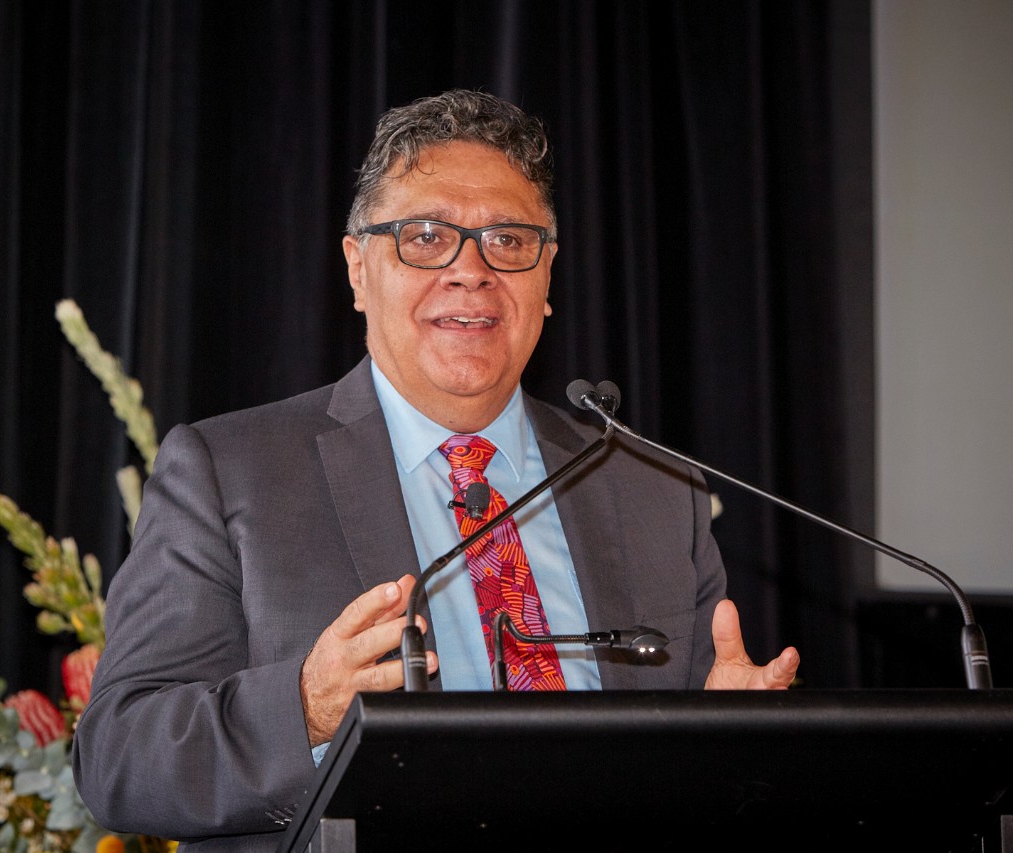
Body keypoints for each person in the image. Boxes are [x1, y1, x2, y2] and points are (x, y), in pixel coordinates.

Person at [71, 89, 800, 850]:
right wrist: (306, 706)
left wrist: (735, 748)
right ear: (358, 268)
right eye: (425, 237)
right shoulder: (230, 473)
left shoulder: (654, 490)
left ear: (547, 276)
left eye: (509, 241)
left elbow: (701, 775)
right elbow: (121, 760)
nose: (471, 271)